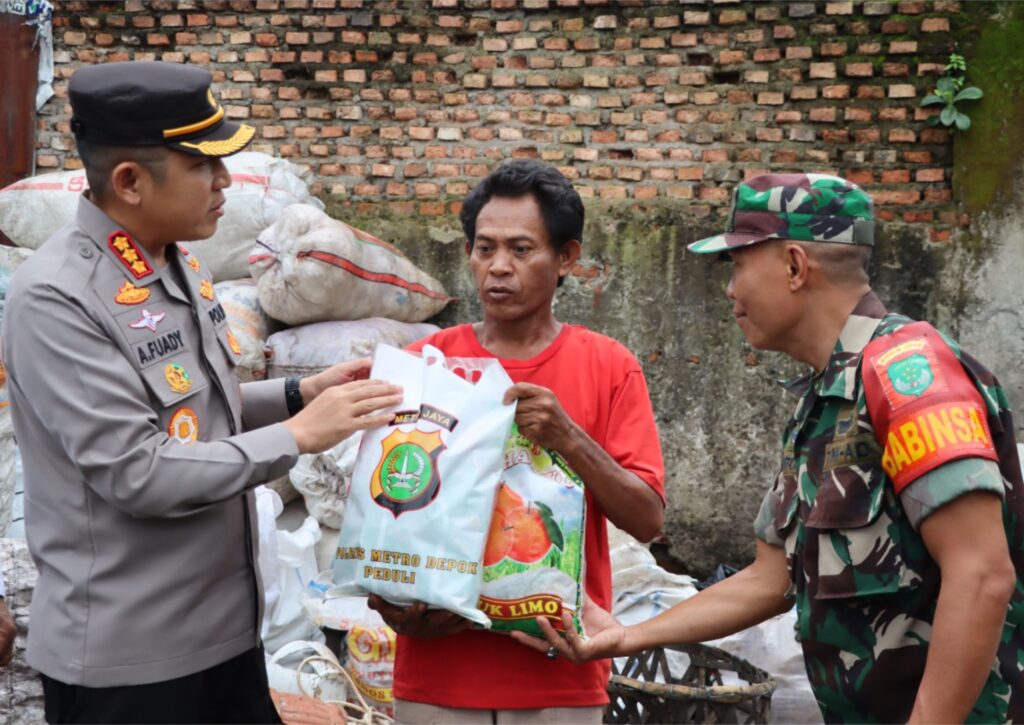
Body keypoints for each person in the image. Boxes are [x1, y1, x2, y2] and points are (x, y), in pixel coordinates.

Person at [519, 173, 1024, 723]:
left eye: (738, 265)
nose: (730, 290)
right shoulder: (826, 400)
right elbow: (771, 578)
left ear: (795, 266)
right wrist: (626, 636)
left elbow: (981, 574)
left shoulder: (908, 377)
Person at [2, 61, 402, 724]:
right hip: (132, 664)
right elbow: (137, 471)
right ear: (130, 182)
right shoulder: (57, 297)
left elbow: (196, 413)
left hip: (224, 639)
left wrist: (300, 393)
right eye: (202, 165)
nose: (224, 181)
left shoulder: (177, 260)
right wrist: (298, 436)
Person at [367, 160, 666, 724]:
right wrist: (391, 605)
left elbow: (647, 519)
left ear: (567, 258)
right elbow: (384, 511)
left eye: (521, 250)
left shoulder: (608, 366)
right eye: (485, 249)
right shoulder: (424, 366)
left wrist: (567, 437)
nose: (498, 267)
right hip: (436, 676)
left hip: (560, 680)